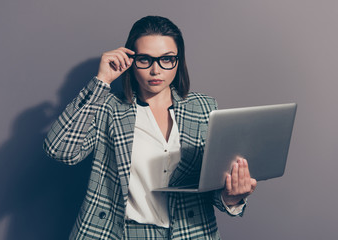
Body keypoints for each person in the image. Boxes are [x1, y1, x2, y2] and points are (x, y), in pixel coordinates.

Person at [44, 15, 257, 240]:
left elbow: (209, 184)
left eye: (167, 59)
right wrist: (101, 82)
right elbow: (60, 151)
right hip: (120, 233)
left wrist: (231, 196)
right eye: (145, 59)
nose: (156, 70)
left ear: (178, 60)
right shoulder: (108, 107)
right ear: (130, 60)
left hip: (190, 232)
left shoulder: (204, 107)